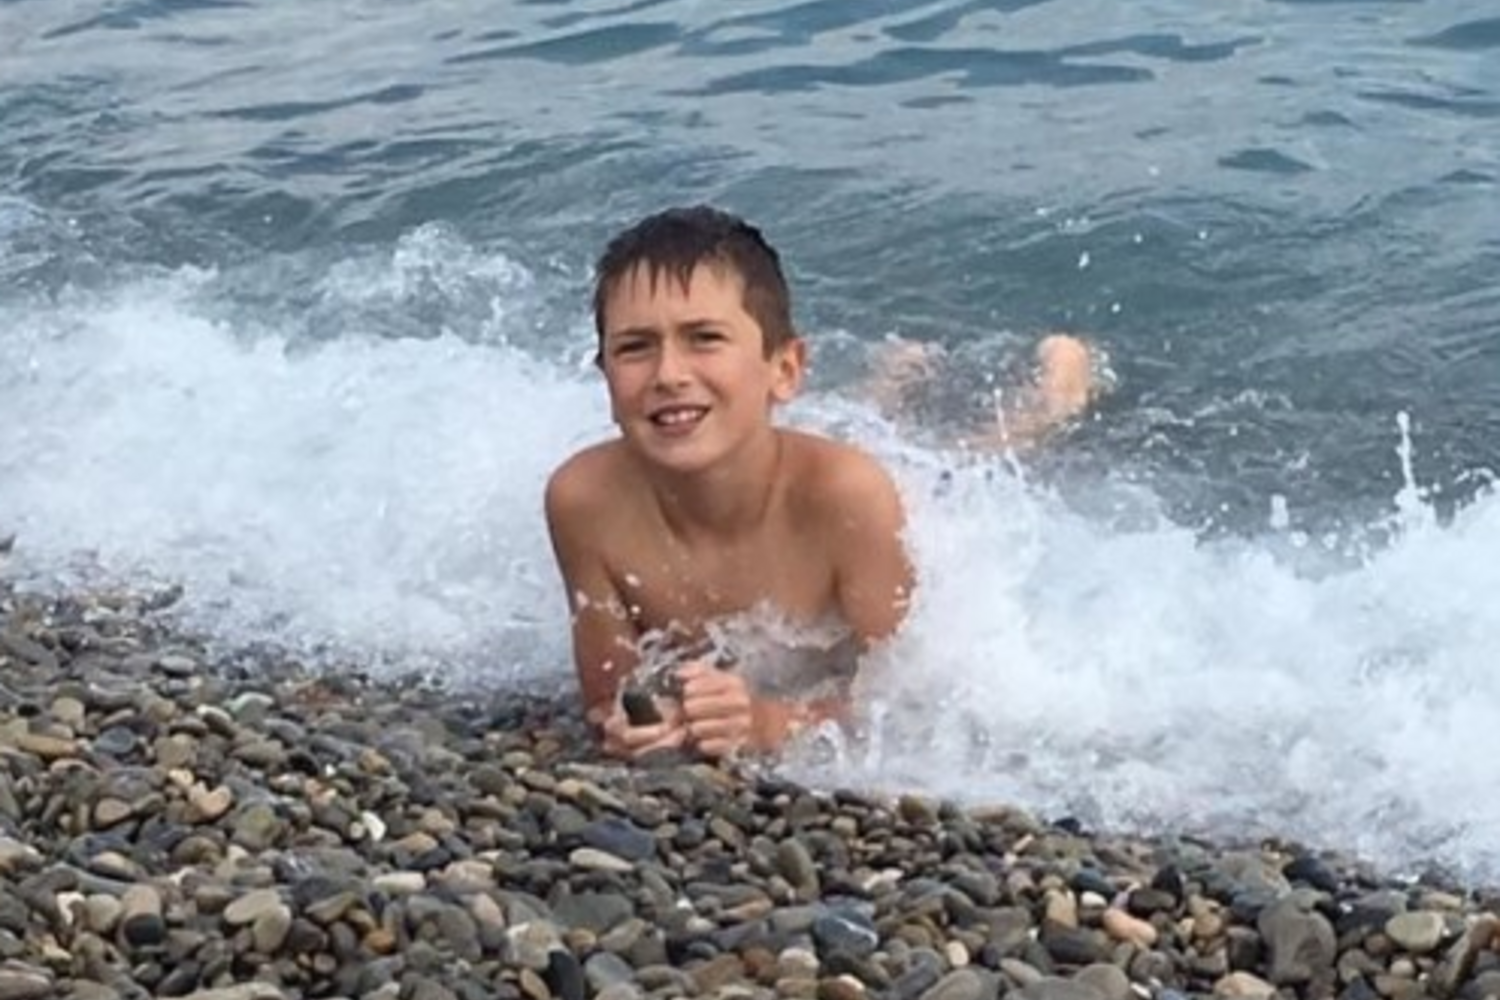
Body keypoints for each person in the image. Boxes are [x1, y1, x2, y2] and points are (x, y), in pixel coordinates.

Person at [545, 205, 1096, 762]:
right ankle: (894, 378)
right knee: (844, 429)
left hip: (898, 501)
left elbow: (914, 703)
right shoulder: (585, 503)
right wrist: (639, 725)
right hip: (783, 459)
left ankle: (1053, 400)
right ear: (606, 376)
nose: (668, 374)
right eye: (635, 347)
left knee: (961, 462)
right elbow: (609, 698)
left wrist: (770, 723)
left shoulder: (849, 499)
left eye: (704, 338)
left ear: (785, 369)